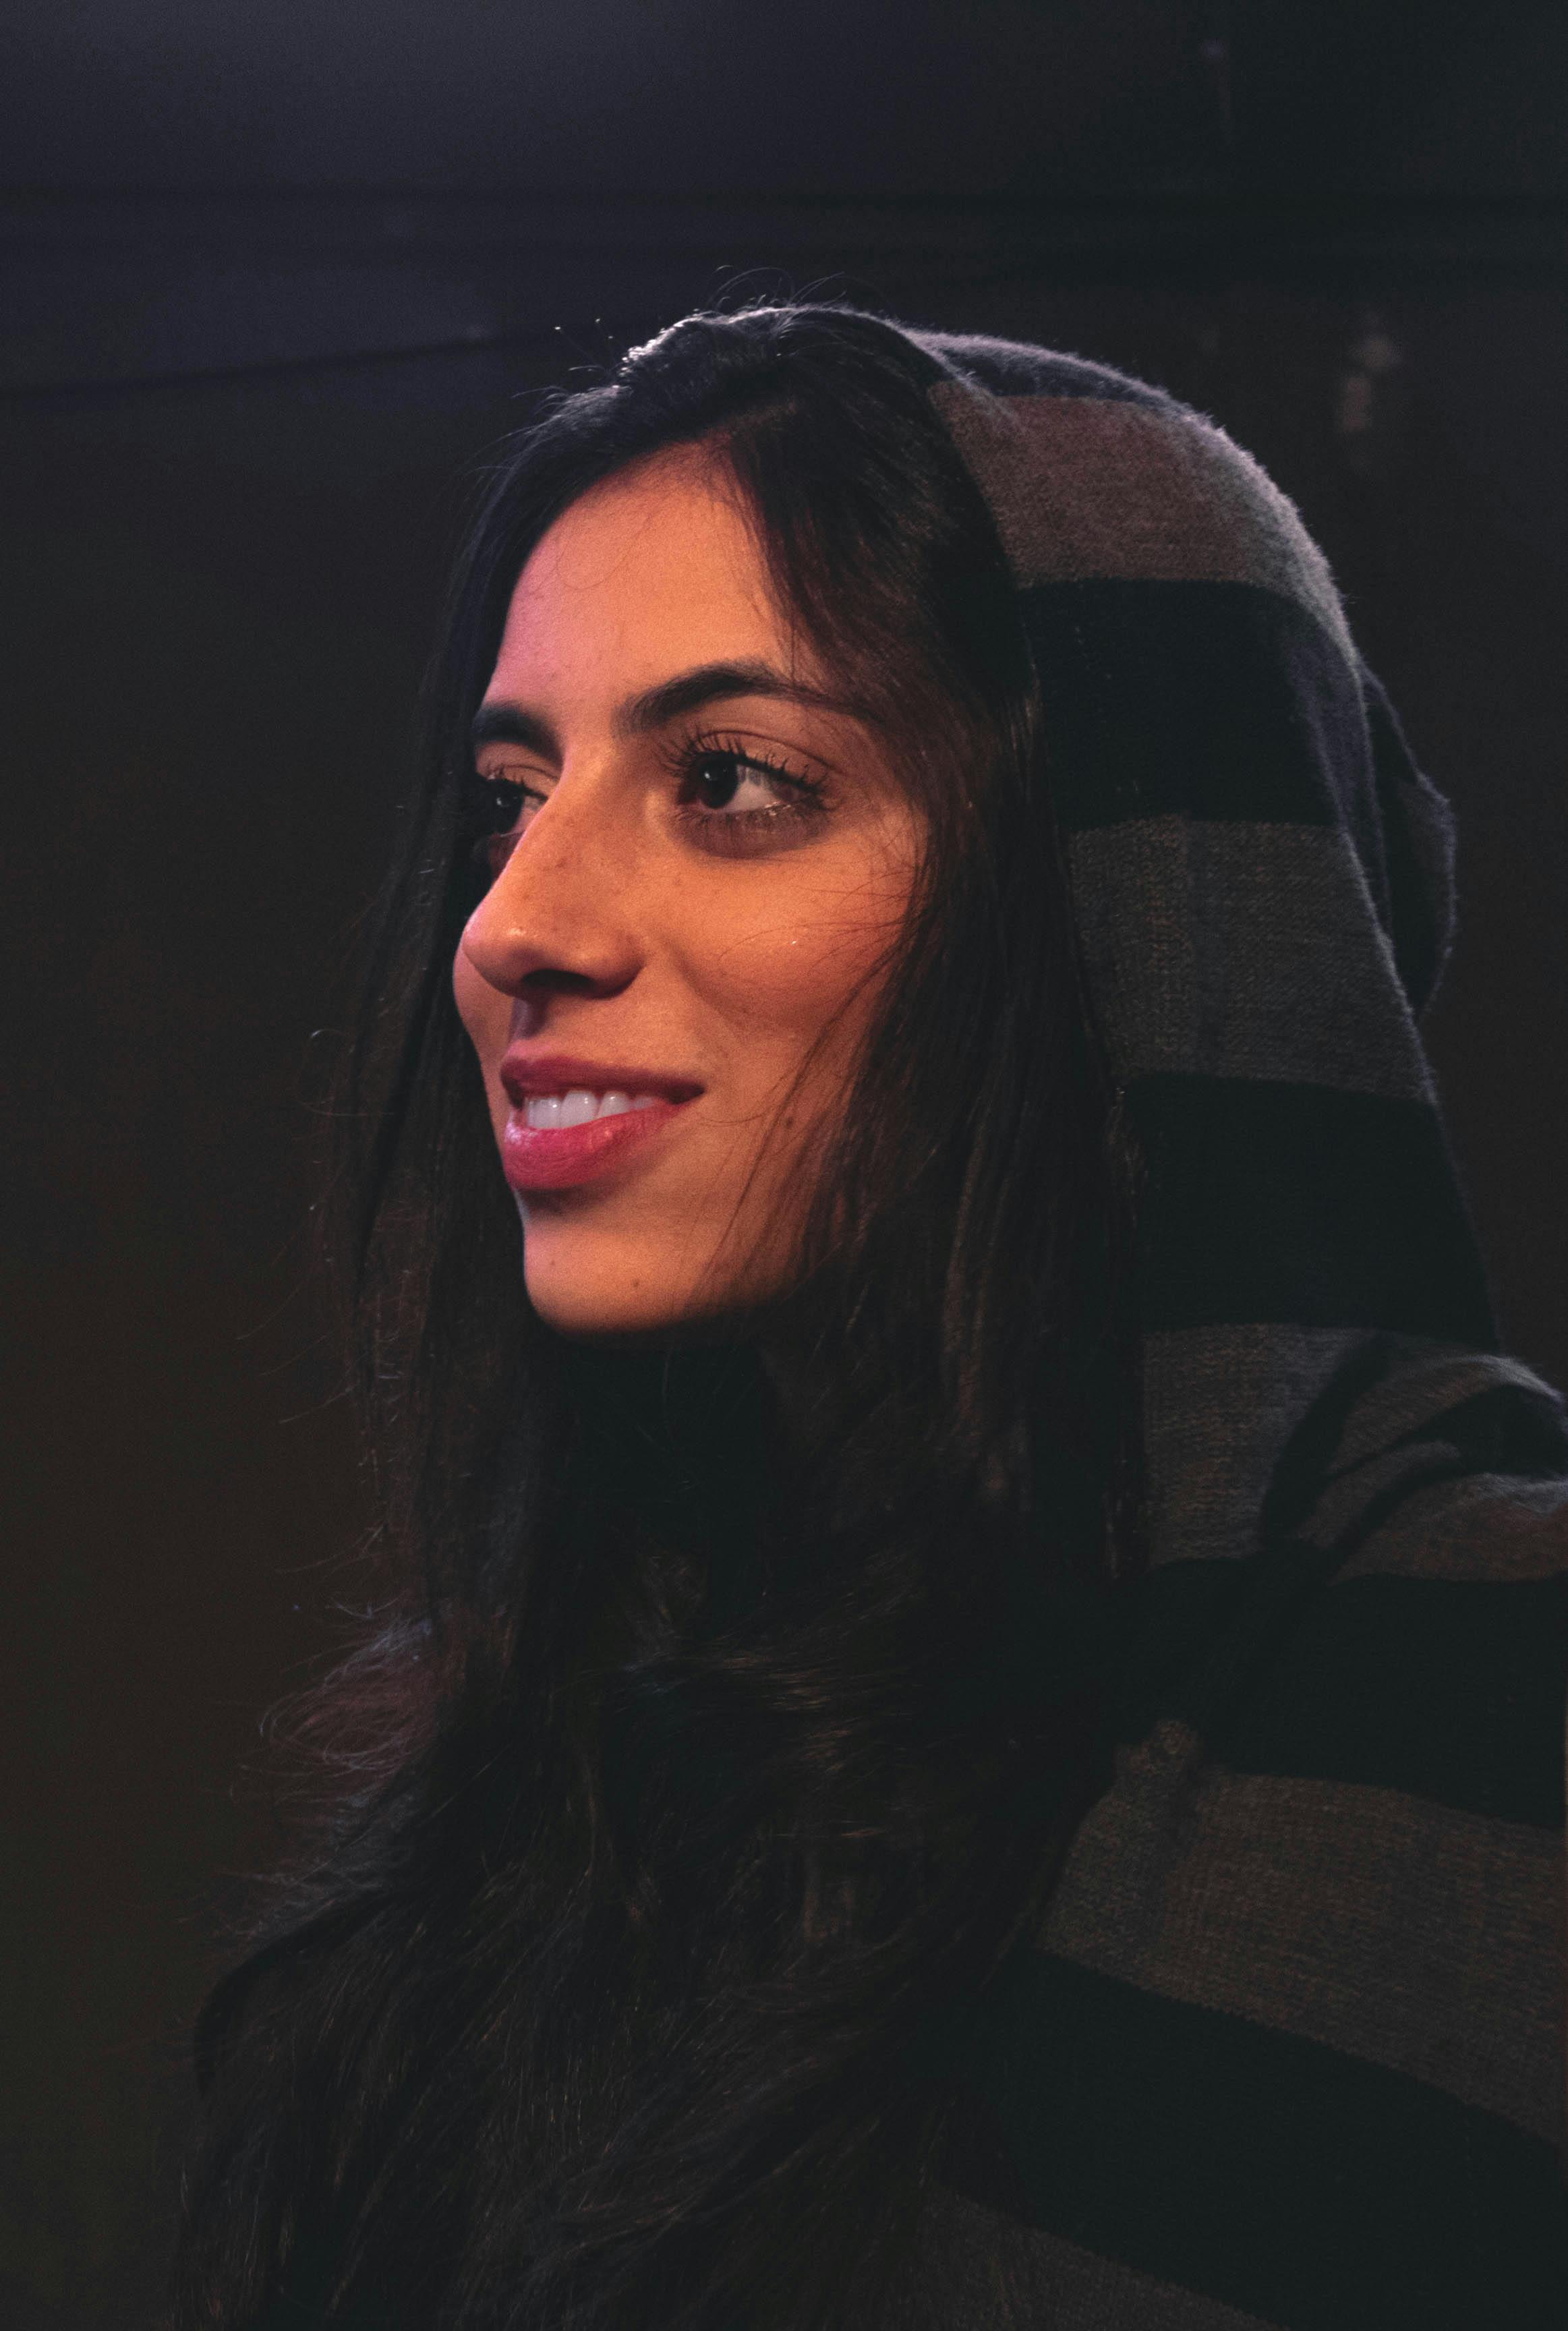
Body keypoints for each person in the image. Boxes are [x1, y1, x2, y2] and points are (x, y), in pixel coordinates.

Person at [169, 304, 1568, 2330]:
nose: (510, 925)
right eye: (508, 798)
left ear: (1120, 895)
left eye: (731, 780)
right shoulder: (589, 1749)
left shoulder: (1504, 1708)